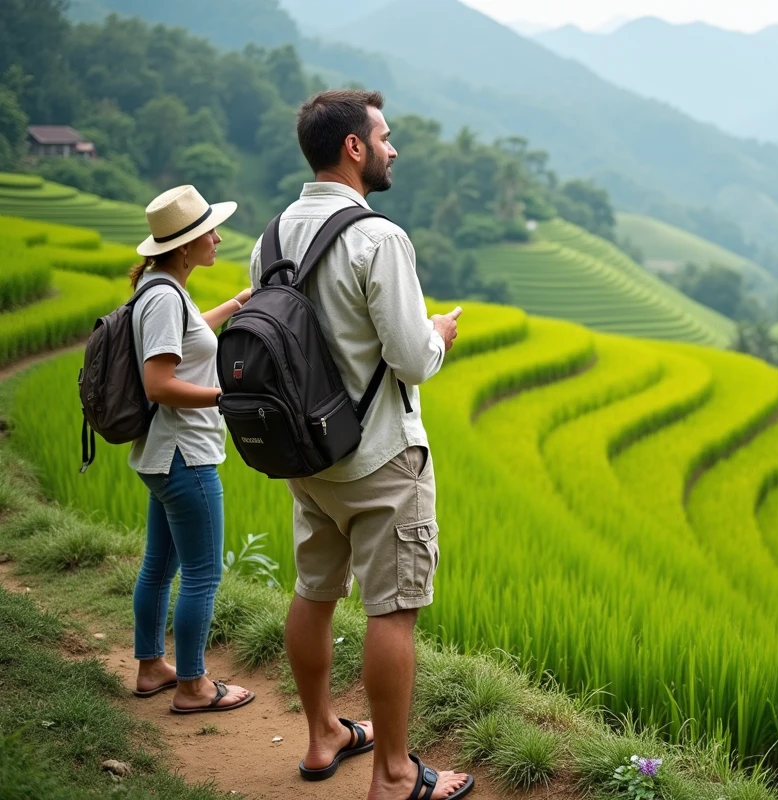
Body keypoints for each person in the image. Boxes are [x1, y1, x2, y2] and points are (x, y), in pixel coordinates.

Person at [250, 89, 471, 799]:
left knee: (315, 593)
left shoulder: (272, 238)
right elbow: (409, 359)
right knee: (392, 610)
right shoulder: (379, 238)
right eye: (384, 136)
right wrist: (438, 335)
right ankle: (395, 774)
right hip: (379, 456)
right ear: (354, 146)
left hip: (306, 456)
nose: (392, 147)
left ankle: (322, 737)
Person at [129, 185, 256, 714]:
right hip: (185, 455)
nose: (218, 237)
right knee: (203, 574)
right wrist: (226, 396)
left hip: (165, 454)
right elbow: (159, 382)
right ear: (184, 246)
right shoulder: (162, 297)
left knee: (159, 564)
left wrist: (240, 302)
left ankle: (151, 666)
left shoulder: (163, 290)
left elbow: (187, 337)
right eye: (209, 231)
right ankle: (193, 685)